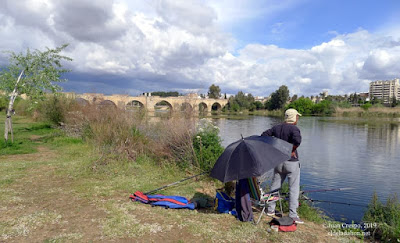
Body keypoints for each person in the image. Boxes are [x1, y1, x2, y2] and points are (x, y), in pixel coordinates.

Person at [261, 108, 303, 224]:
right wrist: (292, 150)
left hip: (278, 161)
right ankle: (293, 215)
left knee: (274, 186)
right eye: (297, 117)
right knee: (293, 189)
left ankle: (270, 210)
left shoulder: (276, 127)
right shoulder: (294, 128)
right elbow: (297, 141)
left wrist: (273, 147)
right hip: (291, 163)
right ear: (294, 118)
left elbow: (264, 135)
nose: (298, 118)